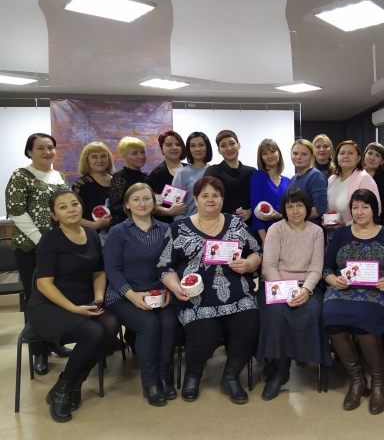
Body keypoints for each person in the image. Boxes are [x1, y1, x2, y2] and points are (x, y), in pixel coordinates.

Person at [158, 176, 261, 404]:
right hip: (196, 297)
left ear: (223, 199)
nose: (211, 199)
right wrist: (176, 288)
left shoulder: (236, 224)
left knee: (249, 323)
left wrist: (249, 264)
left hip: (237, 292)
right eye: (205, 195)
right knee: (205, 334)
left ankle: (230, 375)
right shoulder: (178, 228)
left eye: (216, 195)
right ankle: (193, 373)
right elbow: (164, 267)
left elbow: (257, 252)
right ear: (195, 199)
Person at [27, 190, 119, 422]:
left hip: (84, 301)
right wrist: (73, 308)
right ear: (54, 215)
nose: (71, 209)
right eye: (63, 207)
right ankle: (62, 388)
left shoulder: (92, 235)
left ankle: (76, 381)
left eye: (74, 204)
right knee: (93, 331)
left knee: (111, 323)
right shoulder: (50, 240)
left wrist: (98, 297)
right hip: (50, 305)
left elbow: (99, 271)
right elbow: (44, 284)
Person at [323, 189, 384, 415]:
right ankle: (357, 378)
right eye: (355, 207)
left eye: (365, 207)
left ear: (374, 209)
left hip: (382, 292)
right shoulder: (340, 234)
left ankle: (378, 381)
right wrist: (334, 280)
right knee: (330, 314)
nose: (359, 212)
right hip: (344, 290)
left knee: (364, 316)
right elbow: (327, 269)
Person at [104, 183, 176, 407]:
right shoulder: (118, 232)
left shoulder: (166, 229)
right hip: (124, 294)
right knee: (149, 324)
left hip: (160, 292)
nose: (142, 203)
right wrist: (133, 296)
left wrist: (169, 289)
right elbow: (112, 269)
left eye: (147, 199)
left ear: (154, 203)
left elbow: (172, 264)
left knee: (170, 323)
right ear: (127, 204)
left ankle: (164, 375)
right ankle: (150, 381)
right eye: (136, 199)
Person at [257, 188, 331, 400]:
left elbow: (316, 267)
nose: (295, 210)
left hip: (306, 286)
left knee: (312, 311)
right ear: (284, 209)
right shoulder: (275, 229)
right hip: (277, 284)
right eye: (290, 206)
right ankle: (281, 370)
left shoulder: (316, 231)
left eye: (299, 205)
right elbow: (269, 265)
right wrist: (284, 289)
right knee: (277, 313)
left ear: (307, 208)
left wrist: (306, 290)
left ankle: (285, 365)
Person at [5, 133, 68, 375]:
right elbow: (16, 211)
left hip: (58, 247)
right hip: (31, 248)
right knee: (37, 299)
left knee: (57, 296)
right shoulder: (21, 175)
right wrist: (41, 241)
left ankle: (55, 342)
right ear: (29, 151)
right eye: (40, 148)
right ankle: (39, 351)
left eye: (50, 147)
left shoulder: (59, 176)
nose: (47, 152)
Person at [326, 140, 380, 230]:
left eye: (350, 153)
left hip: (356, 233)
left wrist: (346, 224)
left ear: (358, 158)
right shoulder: (332, 179)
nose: (346, 156)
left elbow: (375, 210)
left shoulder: (365, 179)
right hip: (331, 233)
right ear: (337, 157)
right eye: (342, 153)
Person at [203, 130, 256, 222]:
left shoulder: (251, 172)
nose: (229, 148)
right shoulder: (213, 171)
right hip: (221, 224)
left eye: (232, 143)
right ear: (219, 150)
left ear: (238, 145)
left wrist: (251, 211)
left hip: (248, 225)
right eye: (223, 145)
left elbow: (260, 198)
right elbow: (206, 199)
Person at [249, 139, 290, 242]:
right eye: (265, 153)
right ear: (261, 158)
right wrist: (265, 239)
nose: (269, 155)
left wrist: (280, 216)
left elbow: (290, 211)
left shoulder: (288, 181)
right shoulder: (258, 177)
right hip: (266, 234)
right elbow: (256, 209)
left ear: (278, 153)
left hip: (286, 233)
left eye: (272, 151)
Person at [147, 130, 188, 223]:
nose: (174, 147)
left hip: (194, 221)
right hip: (168, 224)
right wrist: (169, 211)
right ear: (162, 149)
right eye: (169, 145)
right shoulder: (156, 175)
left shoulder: (190, 169)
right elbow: (155, 205)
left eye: (177, 144)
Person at [72, 141, 113, 233]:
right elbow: (73, 214)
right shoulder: (80, 184)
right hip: (90, 235)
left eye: (103, 156)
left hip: (117, 235)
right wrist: (94, 225)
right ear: (86, 160)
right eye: (94, 157)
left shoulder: (118, 181)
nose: (100, 160)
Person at [171, 131, 212, 220]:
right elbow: (174, 207)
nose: (197, 149)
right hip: (189, 223)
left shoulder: (214, 171)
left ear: (207, 147)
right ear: (188, 149)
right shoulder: (181, 173)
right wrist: (182, 225)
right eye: (193, 146)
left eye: (201, 145)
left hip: (213, 222)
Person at [109, 136, 147, 225]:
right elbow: (114, 207)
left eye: (142, 152)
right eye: (134, 153)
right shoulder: (119, 178)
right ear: (124, 156)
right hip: (127, 225)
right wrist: (135, 207)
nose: (141, 156)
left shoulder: (146, 177)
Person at [288, 139, 328, 222]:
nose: (298, 157)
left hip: (311, 228)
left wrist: (292, 219)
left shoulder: (315, 176)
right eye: (295, 153)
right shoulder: (293, 179)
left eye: (304, 154)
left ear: (312, 156)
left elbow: (319, 209)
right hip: (295, 227)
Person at [363, 142, 384, 220]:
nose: (372, 158)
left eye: (377, 155)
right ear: (364, 156)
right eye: (370, 153)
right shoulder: (355, 174)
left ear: (382, 161)